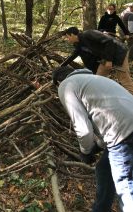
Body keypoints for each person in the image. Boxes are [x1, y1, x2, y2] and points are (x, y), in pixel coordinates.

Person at [53, 66, 133, 212]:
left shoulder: (66, 85)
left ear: (58, 82)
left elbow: (83, 129)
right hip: (124, 130)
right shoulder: (94, 79)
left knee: (125, 188)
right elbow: (107, 116)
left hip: (123, 134)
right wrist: (98, 145)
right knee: (104, 168)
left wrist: (86, 151)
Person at [63, 26, 133, 95]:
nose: (67, 39)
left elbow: (109, 41)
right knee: (98, 78)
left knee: (124, 78)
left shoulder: (89, 34)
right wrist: (62, 66)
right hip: (106, 56)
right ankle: (105, 96)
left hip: (118, 53)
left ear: (72, 34)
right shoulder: (79, 44)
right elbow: (73, 55)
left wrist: (109, 60)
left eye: (67, 37)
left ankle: (131, 97)